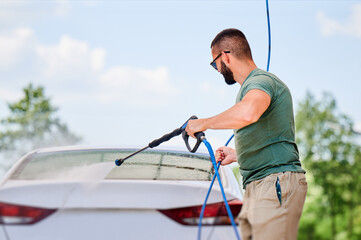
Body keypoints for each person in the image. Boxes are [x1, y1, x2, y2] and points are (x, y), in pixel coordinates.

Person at [185, 28, 307, 240]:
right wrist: (237, 155)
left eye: (214, 63)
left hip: (274, 183)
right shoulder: (250, 88)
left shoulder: (261, 82)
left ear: (225, 56)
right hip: (258, 185)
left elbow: (248, 113)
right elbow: (268, 135)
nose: (216, 69)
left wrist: (202, 123)